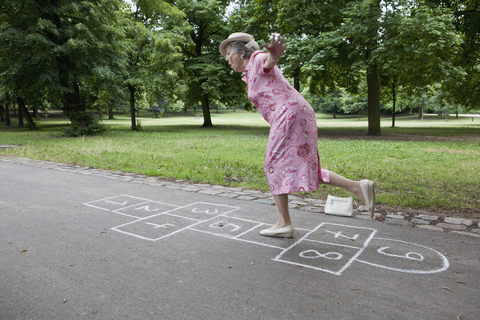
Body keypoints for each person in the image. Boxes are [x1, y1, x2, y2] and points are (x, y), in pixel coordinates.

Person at [219, 32, 375, 238]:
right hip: (296, 114)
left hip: (289, 114)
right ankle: (357, 187)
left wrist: (273, 54)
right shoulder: (249, 72)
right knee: (306, 166)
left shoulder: (256, 59)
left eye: (229, 53)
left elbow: (268, 60)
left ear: (242, 52)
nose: (227, 59)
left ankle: (284, 223)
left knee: (272, 163)